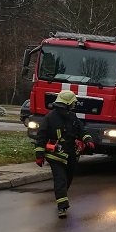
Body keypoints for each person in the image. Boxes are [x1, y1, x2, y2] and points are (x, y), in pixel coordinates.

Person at [34, 90, 94, 218]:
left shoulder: (72, 117)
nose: (73, 106)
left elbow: (81, 130)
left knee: (68, 179)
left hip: (70, 154)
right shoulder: (50, 117)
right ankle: (62, 207)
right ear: (67, 104)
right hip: (55, 156)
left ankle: (61, 196)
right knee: (60, 179)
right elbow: (41, 137)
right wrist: (39, 155)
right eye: (72, 104)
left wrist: (87, 140)